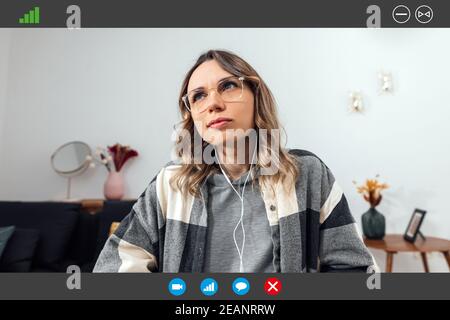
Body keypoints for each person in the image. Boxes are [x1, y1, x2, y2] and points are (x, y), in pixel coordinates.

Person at [94, 49, 377, 273]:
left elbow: (353, 267)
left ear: (257, 96)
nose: (212, 103)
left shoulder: (307, 174)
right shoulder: (170, 184)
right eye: (199, 96)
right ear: (192, 115)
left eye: (228, 85)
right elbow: (114, 265)